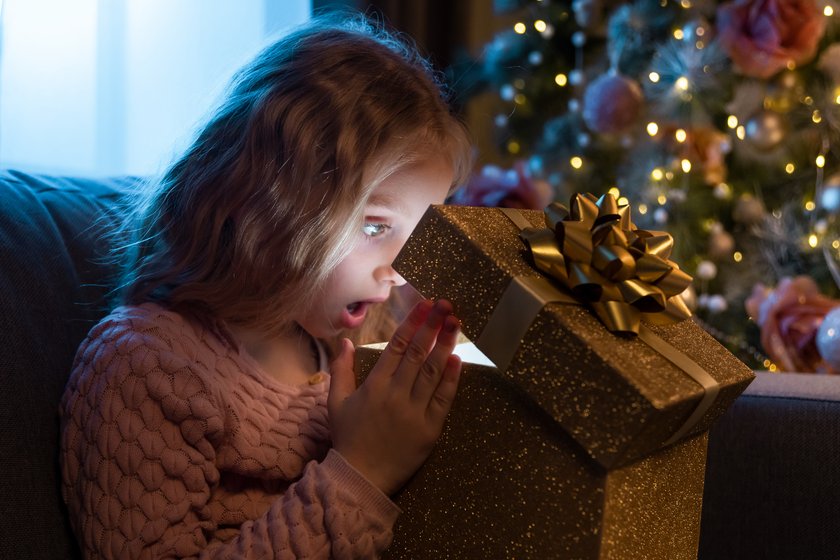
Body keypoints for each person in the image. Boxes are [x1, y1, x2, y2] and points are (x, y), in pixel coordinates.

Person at [59, 12, 473, 559]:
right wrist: (363, 471)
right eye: (374, 226)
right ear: (270, 200)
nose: (400, 269)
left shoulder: (350, 338)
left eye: (419, 233)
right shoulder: (144, 366)